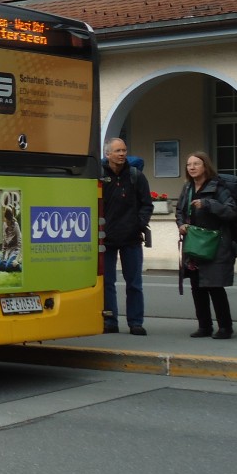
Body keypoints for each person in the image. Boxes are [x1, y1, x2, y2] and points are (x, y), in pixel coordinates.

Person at [175, 150, 237, 339]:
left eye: (196, 164)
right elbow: (179, 211)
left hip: (215, 244)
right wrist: (181, 224)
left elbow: (231, 211)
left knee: (215, 287)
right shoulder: (187, 188)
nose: (192, 167)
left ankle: (225, 327)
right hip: (194, 245)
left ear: (205, 166)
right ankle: (204, 326)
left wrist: (208, 204)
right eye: (189, 164)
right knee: (197, 287)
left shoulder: (218, 187)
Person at [101, 137, 154, 334]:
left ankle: (136, 322)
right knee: (107, 283)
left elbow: (147, 204)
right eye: (118, 151)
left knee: (134, 283)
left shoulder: (135, 176)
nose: (122, 154)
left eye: (124, 150)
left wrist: (138, 224)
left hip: (131, 238)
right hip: (105, 239)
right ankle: (110, 321)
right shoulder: (99, 176)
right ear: (108, 154)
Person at [0, 205, 22, 272]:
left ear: (10, 219)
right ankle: (9, 263)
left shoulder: (15, 225)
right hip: (8, 252)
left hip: (15, 251)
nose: (7, 222)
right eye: (6, 220)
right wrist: (3, 256)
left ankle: (20, 266)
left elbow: (20, 243)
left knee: (8, 266)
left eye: (8, 221)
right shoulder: (4, 225)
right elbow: (4, 243)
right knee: (0, 265)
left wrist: (17, 259)